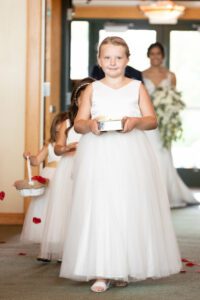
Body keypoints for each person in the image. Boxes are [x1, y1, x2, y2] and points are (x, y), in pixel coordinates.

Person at [60, 37, 181, 292]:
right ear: (99, 61)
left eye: (118, 57)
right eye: (107, 57)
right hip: (98, 153)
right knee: (100, 206)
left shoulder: (136, 86)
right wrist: (91, 125)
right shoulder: (92, 89)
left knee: (127, 205)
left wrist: (135, 122)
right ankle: (102, 270)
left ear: (127, 60)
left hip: (130, 154)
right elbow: (80, 122)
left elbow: (152, 120)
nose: (112, 62)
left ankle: (123, 266)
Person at [38, 77, 95, 262]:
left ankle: (87, 247)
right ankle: (65, 249)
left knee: (87, 207)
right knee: (67, 207)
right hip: (69, 166)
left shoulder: (97, 121)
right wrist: (68, 148)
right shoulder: (67, 123)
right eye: (83, 98)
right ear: (76, 100)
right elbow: (57, 147)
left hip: (90, 166)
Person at [142, 42, 197, 208]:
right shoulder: (141, 75)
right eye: (152, 53)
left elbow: (174, 99)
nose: (155, 57)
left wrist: (169, 116)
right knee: (149, 154)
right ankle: (149, 192)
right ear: (148, 55)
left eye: (158, 53)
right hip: (148, 123)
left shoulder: (170, 76)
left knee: (163, 155)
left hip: (165, 124)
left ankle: (166, 193)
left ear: (163, 56)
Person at [20, 112, 67, 243]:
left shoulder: (70, 145)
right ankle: (46, 242)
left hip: (63, 177)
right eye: (58, 128)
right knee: (45, 208)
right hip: (49, 177)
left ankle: (59, 241)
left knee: (61, 209)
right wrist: (28, 158)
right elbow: (36, 161)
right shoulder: (49, 145)